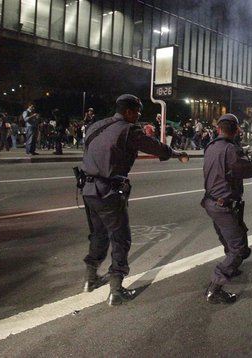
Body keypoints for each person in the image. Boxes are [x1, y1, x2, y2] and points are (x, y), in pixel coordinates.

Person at [79, 94, 189, 306]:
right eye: (137, 112)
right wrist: (176, 153)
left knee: (98, 235)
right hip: (109, 192)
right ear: (129, 112)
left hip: (88, 190)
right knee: (121, 238)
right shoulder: (128, 130)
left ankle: (90, 279)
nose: (138, 116)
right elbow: (155, 147)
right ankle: (116, 290)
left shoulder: (96, 126)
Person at [201, 113, 252, 304]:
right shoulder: (232, 150)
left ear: (218, 129)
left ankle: (230, 267)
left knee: (229, 237)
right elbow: (250, 170)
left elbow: (225, 165)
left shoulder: (211, 147)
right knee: (239, 249)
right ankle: (215, 288)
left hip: (211, 203)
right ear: (236, 131)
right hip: (223, 206)